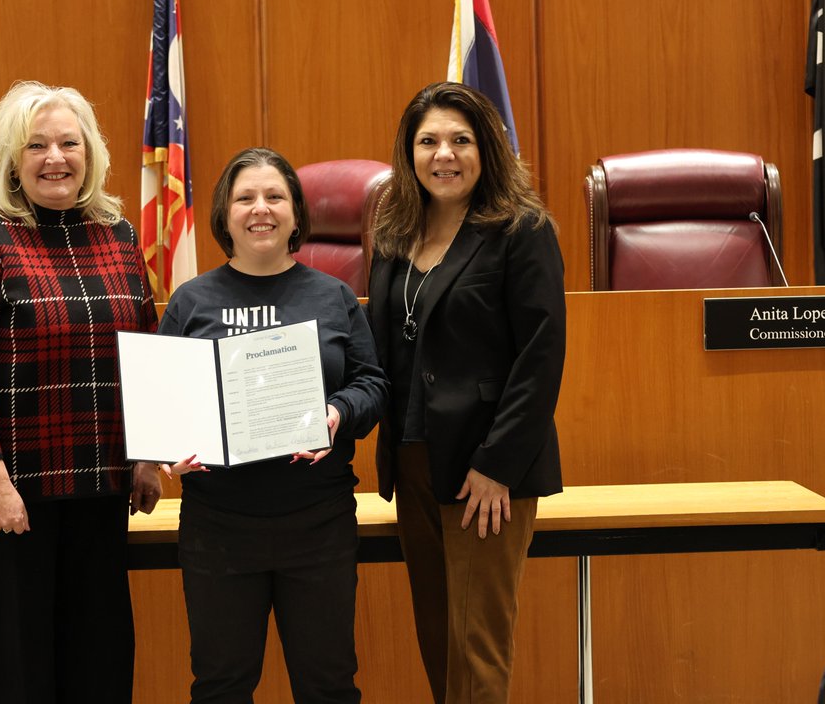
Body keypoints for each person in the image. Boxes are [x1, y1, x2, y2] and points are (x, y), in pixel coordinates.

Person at [0, 81, 160, 703]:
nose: (55, 158)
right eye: (36, 145)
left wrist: (146, 453)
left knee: (101, 660)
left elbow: (144, 352)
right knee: (19, 670)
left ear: (91, 153)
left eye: (69, 143)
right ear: (11, 160)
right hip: (12, 495)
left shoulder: (117, 236)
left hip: (100, 485)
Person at [159, 147, 387, 704]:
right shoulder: (190, 301)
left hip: (318, 522)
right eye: (245, 198)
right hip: (218, 526)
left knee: (329, 686)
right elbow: (162, 401)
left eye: (274, 196)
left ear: (295, 213)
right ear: (225, 214)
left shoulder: (332, 296)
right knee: (220, 687)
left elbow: (373, 385)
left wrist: (337, 414)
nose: (260, 208)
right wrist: (165, 450)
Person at [367, 81, 566, 704]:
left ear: (487, 149)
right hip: (413, 458)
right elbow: (381, 348)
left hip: (486, 471)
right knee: (437, 635)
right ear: (409, 153)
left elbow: (541, 357)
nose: (443, 155)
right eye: (428, 141)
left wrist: (498, 464)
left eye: (460, 140)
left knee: (478, 647)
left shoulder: (520, 229)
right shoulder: (395, 232)